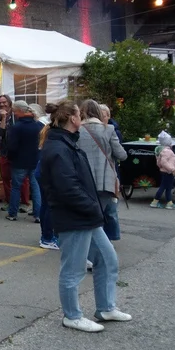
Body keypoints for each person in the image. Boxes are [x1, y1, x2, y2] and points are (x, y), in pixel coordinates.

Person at [40, 100, 132, 332]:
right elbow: (67, 188)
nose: (82, 118)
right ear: (73, 118)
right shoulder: (59, 147)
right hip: (75, 217)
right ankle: (72, 316)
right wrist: (92, 207)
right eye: (79, 115)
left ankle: (105, 308)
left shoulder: (68, 142)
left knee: (107, 259)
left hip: (85, 215)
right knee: (73, 269)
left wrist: (92, 209)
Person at [77, 99, 127, 240]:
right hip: (105, 180)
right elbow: (122, 155)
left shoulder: (77, 130)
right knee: (101, 215)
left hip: (83, 179)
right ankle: (103, 248)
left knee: (88, 215)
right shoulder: (109, 130)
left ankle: (90, 247)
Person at [5, 101, 43, 222]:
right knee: (36, 187)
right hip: (35, 160)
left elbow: (12, 147)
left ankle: (12, 214)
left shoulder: (16, 127)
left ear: (20, 111)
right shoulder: (39, 125)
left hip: (19, 162)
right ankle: (38, 215)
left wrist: (10, 157)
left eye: (15, 111)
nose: (14, 114)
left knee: (16, 187)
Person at [0, 95, 30, 214]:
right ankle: (9, 201)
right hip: (5, 150)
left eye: (4, 102)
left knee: (22, 178)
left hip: (18, 150)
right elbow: (0, 132)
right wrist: (3, 118)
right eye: (0, 103)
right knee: (5, 177)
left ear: (9, 102)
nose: (2, 104)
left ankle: (25, 203)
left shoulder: (17, 115)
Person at [34, 123, 58, 250]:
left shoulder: (45, 141)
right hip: (46, 173)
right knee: (49, 206)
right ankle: (47, 237)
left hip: (41, 172)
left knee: (45, 205)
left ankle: (46, 235)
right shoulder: (51, 143)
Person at [150, 131, 175, 209]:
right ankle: (156, 202)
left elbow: (159, 163)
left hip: (165, 171)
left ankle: (169, 202)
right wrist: (173, 169)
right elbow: (164, 162)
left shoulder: (161, 150)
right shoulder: (167, 151)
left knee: (167, 187)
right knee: (165, 187)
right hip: (168, 172)